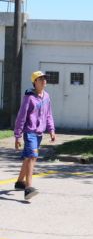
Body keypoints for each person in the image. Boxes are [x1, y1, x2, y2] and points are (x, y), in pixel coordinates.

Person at [14, 71, 56, 201]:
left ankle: (19, 182)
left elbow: (48, 115)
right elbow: (21, 116)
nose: (44, 80)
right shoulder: (29, 97)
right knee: (32, 157)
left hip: (39, 133)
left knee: (28, 158)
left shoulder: (47, 96)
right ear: (35, 82)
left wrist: (51, 130)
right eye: (40, 79)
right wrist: (17, 135)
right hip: (30, 132)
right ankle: (28, 188)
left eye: (45, 78)